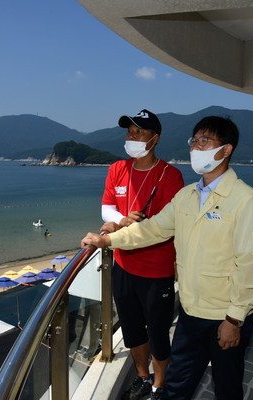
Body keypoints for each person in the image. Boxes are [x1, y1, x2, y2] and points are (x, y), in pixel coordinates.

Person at [82, 116, 253, 400]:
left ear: (226, 149)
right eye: (194, 141)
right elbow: (152, 229)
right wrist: (108, 240)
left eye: (205, 141)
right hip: (191, 312)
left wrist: (235, 319)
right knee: (177, 386)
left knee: (227, 384)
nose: (196, 147)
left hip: (224, 315)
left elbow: (251, 264)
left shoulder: (246, 200)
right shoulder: (187, 196)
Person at [100, 109, 184, 400]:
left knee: (159, 333)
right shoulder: (117, 169)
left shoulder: (170, 176)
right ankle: (143, 377)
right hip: (123, 264)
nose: (132, 137)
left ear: (155, 139)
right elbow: (107, 209)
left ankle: (160, 385)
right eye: (129, 132)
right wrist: (120, 220)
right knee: (132, 328)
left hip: (156, 268)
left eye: (139, 132)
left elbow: (164, 224)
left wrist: (115, 226)